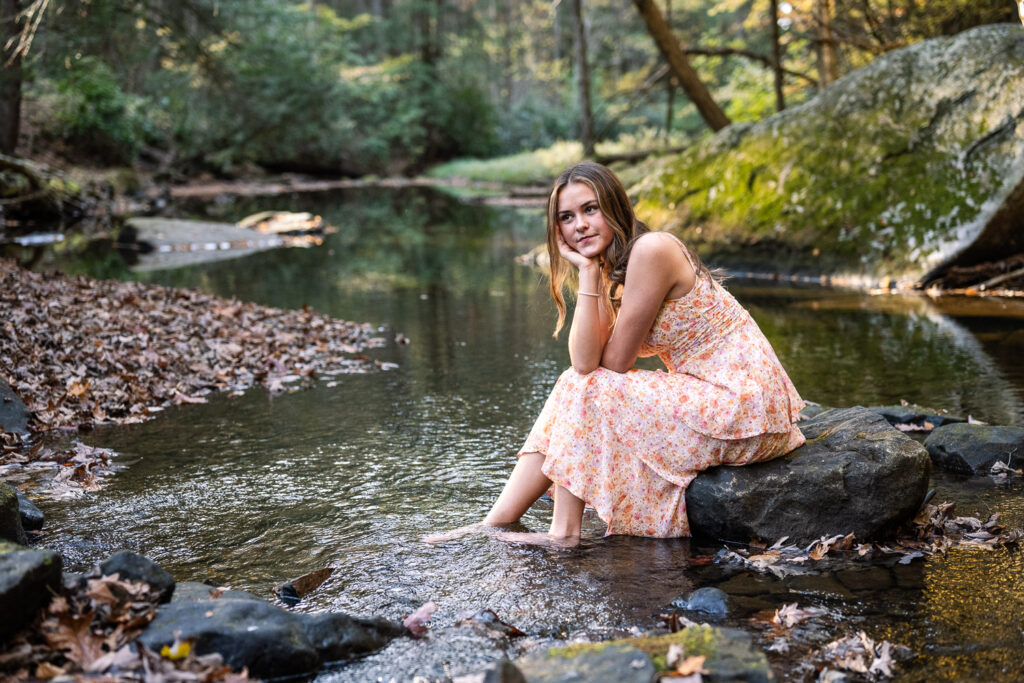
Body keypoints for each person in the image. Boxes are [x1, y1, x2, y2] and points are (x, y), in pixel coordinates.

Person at [428, 161, 805, 545]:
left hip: (745, 403)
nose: (580, 225)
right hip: (718, 398)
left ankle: (563, 532)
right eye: (566, 217)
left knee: (584, 386)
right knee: (575, 383)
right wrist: (589, 274)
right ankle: (495, 522)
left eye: (590, 209)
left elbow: (611, 366)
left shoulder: (652, 249)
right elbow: (584, 360)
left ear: (615, 207)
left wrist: (591, 276)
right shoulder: (615, 269)